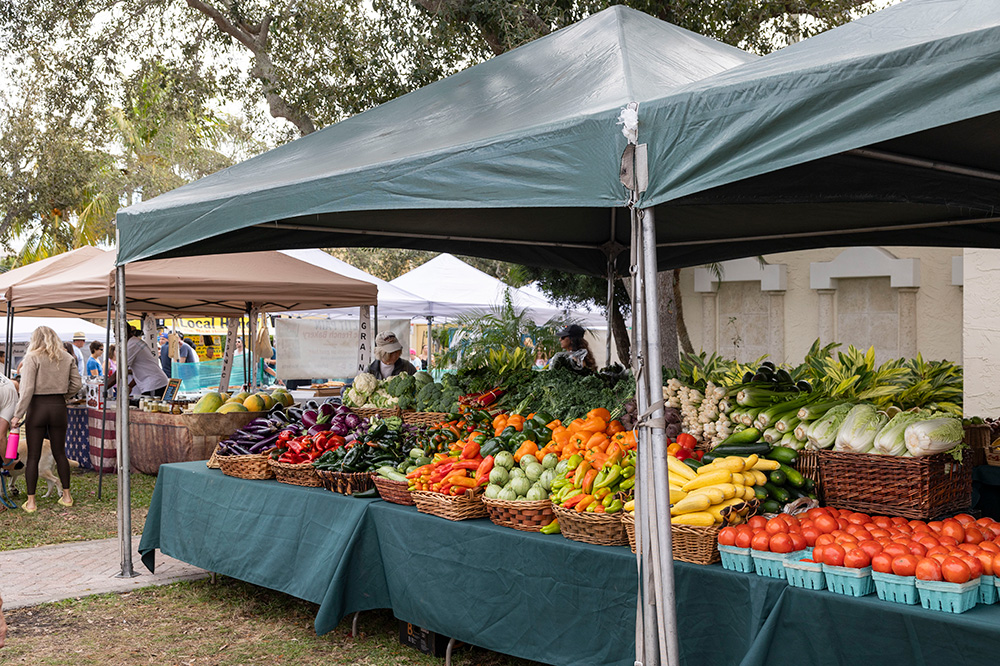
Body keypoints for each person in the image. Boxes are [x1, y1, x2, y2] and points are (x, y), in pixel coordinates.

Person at [11, 326, 82, 512]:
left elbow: (26, 390)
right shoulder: (67, 357)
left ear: (35, 339)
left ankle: (32, 502)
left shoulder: (32, 357)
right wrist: (63, 396)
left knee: (33, 455)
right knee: (60, 453)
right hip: (58, 407)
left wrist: (17, 415)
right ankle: (67, 496)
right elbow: (77, 384)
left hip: (37, 407)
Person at [109, 326, 169, 403]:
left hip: (154, 384)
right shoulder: (135, 342)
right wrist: (130, 386)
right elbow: (140, 370)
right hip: (155, 383)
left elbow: (120, 371)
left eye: (115, 335)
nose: (115, 338)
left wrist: (103, 389)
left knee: (149, 411)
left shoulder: (132, 345)